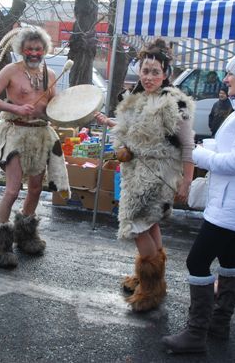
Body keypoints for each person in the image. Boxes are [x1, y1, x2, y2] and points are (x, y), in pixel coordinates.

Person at [162, 52, 235, 353]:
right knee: (228, 260)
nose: (225, 79)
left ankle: (196, 334)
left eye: (231, 74)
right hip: (229, 198)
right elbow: (231, 148)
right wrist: (201, 145)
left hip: (232, 202)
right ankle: (218, 323)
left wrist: (194, 153)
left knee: (197, 261)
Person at [94, 38, 195, 312]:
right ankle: (150, 278)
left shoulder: (175, 103)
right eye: (145, 71)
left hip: (157, 177)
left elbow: (188, 145)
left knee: (135, 225)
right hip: (135, 173)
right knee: (150, 225)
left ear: (165, 74)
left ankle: (151, 290)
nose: (149, 77)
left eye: (155, 72)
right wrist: (108, 122)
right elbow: (136, 131)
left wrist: (187, 180)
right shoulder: (138, 99)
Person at [0, 26, 70, 269]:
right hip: (16, 134)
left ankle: (26, 235)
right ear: (22, 49)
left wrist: (70, 112)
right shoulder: (11, 70)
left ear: (44, 50)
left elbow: (54, 107)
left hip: (40, 135)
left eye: (38, 48)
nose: (34, 53)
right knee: (12, 190)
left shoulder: (50, 74)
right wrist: (16, 108)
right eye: (29, 48)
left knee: (35, 189)